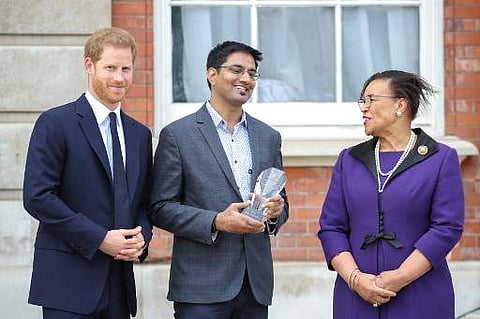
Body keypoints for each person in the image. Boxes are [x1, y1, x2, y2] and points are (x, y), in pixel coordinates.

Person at [149, 41, 289, 319]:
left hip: (254, 285)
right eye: (236, 70)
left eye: (252, 73)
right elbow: (160, 207)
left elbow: (282, 202)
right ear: (211, 75)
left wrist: (276, 211)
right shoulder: (177, 136)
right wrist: (216, 221)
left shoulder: (268, 137)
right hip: (200, 287)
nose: (246, 79)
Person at [23, 27, 153, 319]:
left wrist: (141, 238)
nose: (119, 78)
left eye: (126, 69)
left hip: (119, 284)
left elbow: (143, 201)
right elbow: (38, 197)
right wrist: (99, 239)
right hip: (68, 283)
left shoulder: (140, 135)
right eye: (110, 68)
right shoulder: (56, 123)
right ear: (89, 65)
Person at [318, 70, 464, 318]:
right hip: (355, 300)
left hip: (420, 297)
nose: (363, 108)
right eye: (362, 101)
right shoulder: (349, 160)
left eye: (371, 100)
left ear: (400, 105)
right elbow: (331, 228)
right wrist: (355, 280)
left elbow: (446, 228)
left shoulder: (440, 159)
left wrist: (400, 277)